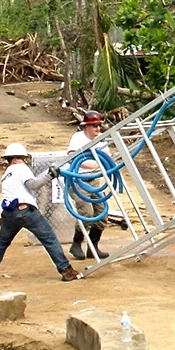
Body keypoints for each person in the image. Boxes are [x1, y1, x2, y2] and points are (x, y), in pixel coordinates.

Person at [0, 143, 79, 282]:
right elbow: (33, 184)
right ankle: (65, 270)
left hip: (8, 213)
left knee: (2, 242)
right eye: (22, 158)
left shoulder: (6, 175)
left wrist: (46, 174)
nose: (24, 161)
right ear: (15, 159)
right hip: (26, 211)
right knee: (49, 239)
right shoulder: (20, 168)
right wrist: (50, 175)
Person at [67, 111, 111, 261]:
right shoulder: (78, 138)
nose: (97, 128)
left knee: (102, 213)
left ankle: (93, 247)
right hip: (78, 179)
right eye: (94, 126)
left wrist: (98, 165)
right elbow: (72, 157)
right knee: (86, 212)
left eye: (99, 125)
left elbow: (108, 159)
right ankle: (76, 243)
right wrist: (93, 164)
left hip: (94, 179)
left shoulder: (101, 139)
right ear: (86, 127)